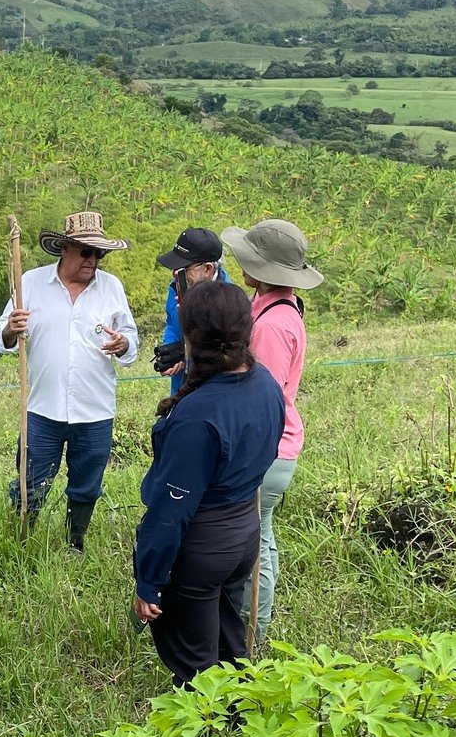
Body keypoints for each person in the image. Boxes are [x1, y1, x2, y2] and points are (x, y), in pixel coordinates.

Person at [132, 281, 284, 686]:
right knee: (229, 645)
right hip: (244, 532)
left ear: (191, 336)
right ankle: (243, 715)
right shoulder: (266, 384)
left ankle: (208, 724)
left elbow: (170, 511)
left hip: (202, 545)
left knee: (194, 666)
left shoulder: (197, 415)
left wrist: (149, 581)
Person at [0, 210, 139, 551]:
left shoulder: (111, 288)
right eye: (86, 252)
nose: (93, 260)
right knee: (30, 481)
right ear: (65, 248)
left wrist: (123, 344)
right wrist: (11, 329)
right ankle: (22, 541)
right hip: (42, 408)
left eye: (99, 254)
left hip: (94, 410)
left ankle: (75, 543)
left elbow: (131, 341)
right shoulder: (31, 282)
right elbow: (2, 338)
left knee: (86, 485)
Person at [221, 219, 323, 647]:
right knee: (261, 536)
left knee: (254, 543)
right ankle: (252, 624)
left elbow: (261, 397)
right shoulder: (272, 306)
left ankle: (251, 633)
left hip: (266, 448)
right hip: (276, 445)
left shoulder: (271, 325)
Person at [155, 228, 230, 394]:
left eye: (184, 269)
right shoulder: (177, 287)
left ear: (208, 268)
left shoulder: (230, 303)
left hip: (213, 390)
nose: (176, 274)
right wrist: (173, 352)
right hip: (181, 387)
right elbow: (171, 323)